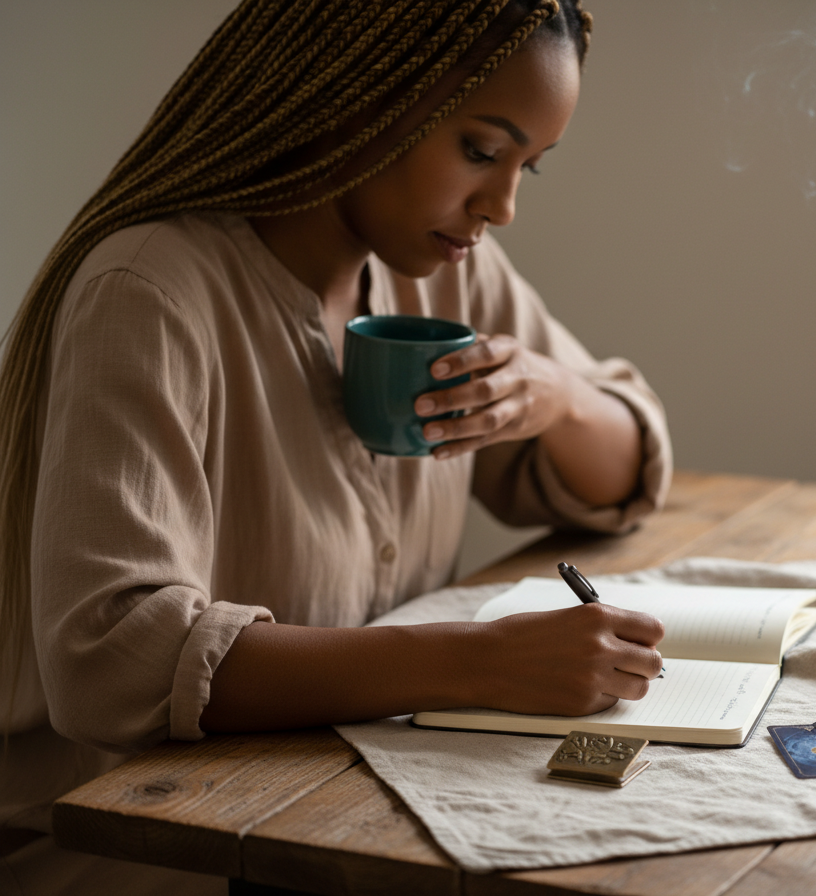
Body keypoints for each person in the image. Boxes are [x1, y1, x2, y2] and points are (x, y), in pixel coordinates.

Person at [0, 1, 672, 892]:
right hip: (141, 855)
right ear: (360, 99)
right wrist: (481, 665)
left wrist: (558, 398)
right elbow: (112, 659)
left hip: (351, 816)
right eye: (480, 151)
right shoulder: (150, 291)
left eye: (528, 168)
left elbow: (627, 467)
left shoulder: (438, 269)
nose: (501, 206)